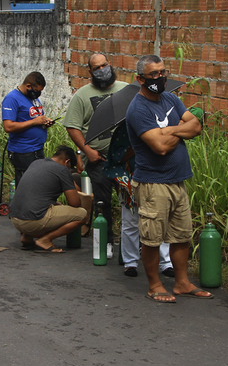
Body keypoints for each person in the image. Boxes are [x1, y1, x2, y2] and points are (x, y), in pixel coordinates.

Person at [125, 54, 212, 303]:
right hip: (153, 183)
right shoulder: (138, 109)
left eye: (163, 72)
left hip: (178, 180)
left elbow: (196, 127)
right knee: (152, 238)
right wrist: (179, 131)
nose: (161, 78)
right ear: (140, 79)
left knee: (181, 235)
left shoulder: (170, 98)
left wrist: (169, 130)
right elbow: (160, 147)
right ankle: (155, 285)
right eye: (154, 74)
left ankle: (182, 283)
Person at [64, 53, 129, 259]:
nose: (102, 70)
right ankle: (107, 241)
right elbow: (72, 126)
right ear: (90, 71)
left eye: (104, 65)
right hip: (99, 159)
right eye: (97, 67)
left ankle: (131, 246)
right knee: (103, 202)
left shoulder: (126, 90)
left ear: (110, 64)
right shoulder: (82, 95)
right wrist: (88, 152)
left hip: (126, 158)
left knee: (130, 202)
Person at [103, 123, 173, 278]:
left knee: (162, 220)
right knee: (130, 222)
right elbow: (116, 156)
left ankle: (166, 263)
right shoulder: (124, 129)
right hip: (130, 180)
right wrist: (138, 146)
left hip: (158, 178)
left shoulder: (163, 125)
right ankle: (130, 263)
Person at [9, 145, 87, 253]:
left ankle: (27, 238)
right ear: (67, 162)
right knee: (82, 215)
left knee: (44, 204)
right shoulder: (62, 169)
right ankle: (45, 240)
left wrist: (55, 203)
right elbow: (75, 203)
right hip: (32, 222)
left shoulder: (36, 163)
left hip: (15, 218)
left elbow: (36, 193)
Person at [2, 72, 51, 186]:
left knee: (37, 184)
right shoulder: (12, 99)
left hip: (37, 149)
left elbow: (35, 117)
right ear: (28, 86)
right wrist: (35, 122)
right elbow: (8, 126)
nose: (38, 94)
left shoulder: (32, 97)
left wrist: (44, 121)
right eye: (37, 90)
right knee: (28, 186)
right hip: (23, 151)